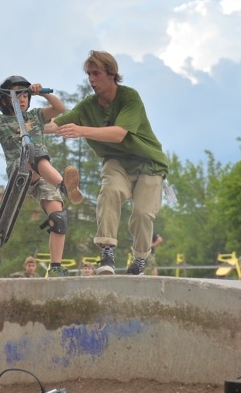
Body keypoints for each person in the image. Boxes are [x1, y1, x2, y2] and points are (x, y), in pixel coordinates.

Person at [49, 51, 169, 275]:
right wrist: (25, 127)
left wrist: (81, 130)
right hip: (117, 163)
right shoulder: (88, 106)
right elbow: (56, 124)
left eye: (96, 73)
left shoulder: (129, 97)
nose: (91, 79)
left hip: (149, 164)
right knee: (109, 192)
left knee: (143, 214)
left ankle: (141, 259)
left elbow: (118, 135)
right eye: (88, 74)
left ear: (111, 74)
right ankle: (107, 253)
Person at [0, 76, 84, 277]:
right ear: (4, 100)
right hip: (20, 171)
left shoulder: (36, 116)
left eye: (25, 95)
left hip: (45, 175)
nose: (22, 99)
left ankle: (55, 267)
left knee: (59, 217)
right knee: (32, 153)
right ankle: (64, 186)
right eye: (17, 95)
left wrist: (43, 92)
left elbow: (59, 109)